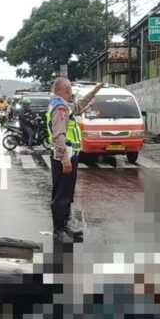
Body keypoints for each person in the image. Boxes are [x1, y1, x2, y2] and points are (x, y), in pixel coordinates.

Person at [47, 78, 105, 243]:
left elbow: (78, 106)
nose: (72, 91)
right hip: (63, 156)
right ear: (66, 89)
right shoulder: (60, 108)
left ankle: (65, 227)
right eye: (70, 88)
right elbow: (59, 135)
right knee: (61, 194)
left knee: (67, 193)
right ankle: (58, 231)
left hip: (68, 155)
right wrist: (65, 159)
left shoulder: (63, 105)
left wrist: (94, 91)